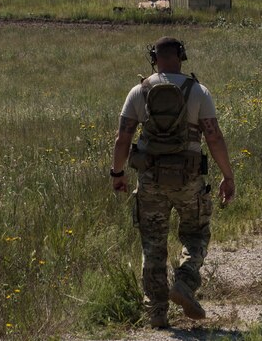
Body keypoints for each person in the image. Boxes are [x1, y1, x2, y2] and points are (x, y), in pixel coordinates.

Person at [110, 37, 236, 329]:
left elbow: (123, 138)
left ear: (153, 58)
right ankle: (185, 280)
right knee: (196, 235)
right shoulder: (199, 92)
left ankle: (157, 312)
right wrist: (227, 176)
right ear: (182, 56)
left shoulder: (138, 92)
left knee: (153, 245)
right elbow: (214, 136)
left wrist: (117, 174)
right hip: (189, 180)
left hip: (150, 181)